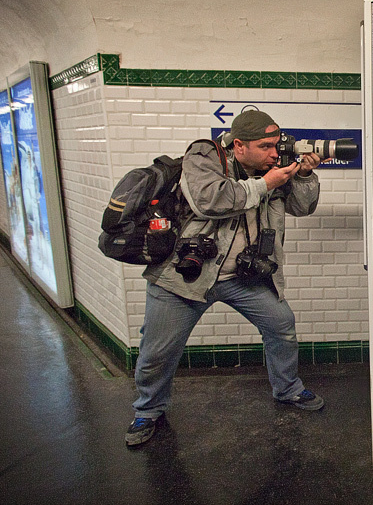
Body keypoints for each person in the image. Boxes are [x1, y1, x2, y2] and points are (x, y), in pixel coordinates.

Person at [126, 110, 324, 447]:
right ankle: (149, 409)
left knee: (281, 325)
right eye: (265, 146)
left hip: (244, 275)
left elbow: (303, 207)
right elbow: (210, 201)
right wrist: (267, 183)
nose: (274, 153)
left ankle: (287, 388)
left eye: (276, 145)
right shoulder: (204, 156)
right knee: (158, 349)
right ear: (239, 145)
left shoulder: (272, 167)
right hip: (186, 274)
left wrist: (302, 175)